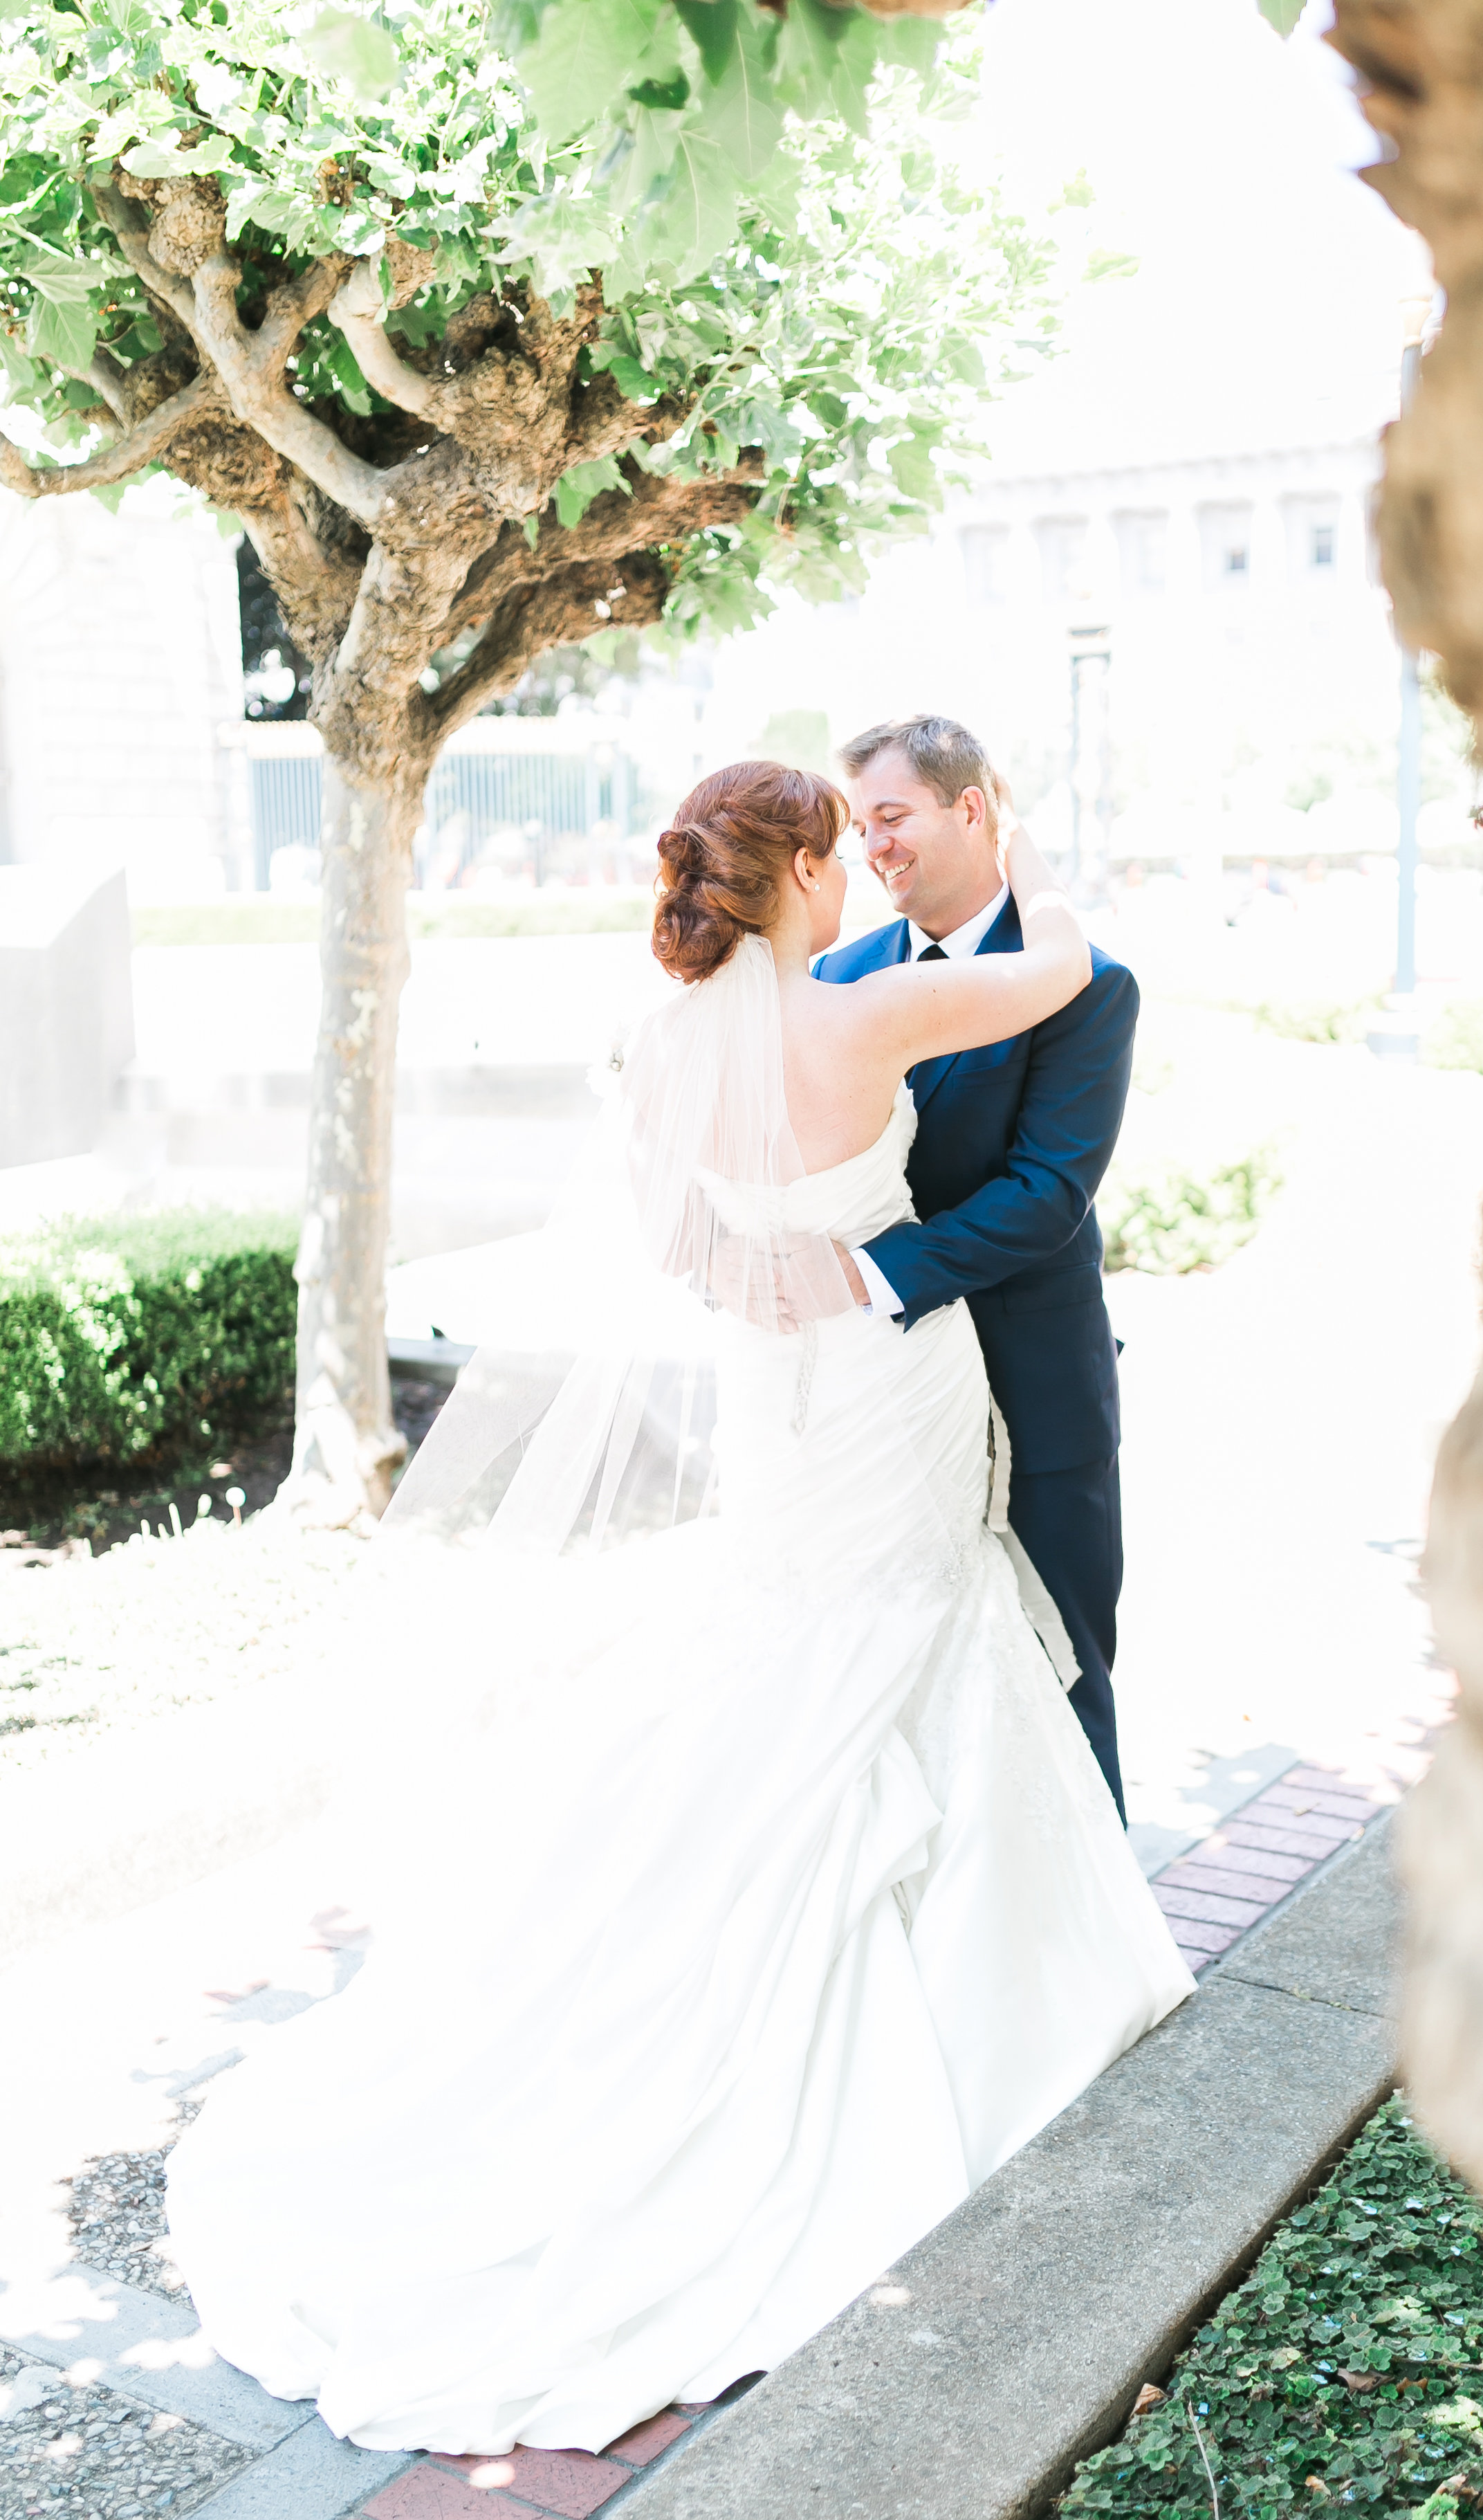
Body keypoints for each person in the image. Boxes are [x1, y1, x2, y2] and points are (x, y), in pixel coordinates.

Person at [164, 760, 1192, 2463]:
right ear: (798, 866)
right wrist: (1051, 882)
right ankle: (996, 1997)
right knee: (917, 1634)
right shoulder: (858, 1020)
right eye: (841, 848)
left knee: (805, 1646)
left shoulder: (669, 1036)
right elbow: (1062, 969)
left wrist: (756, 1274)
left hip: (780, 1399)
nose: (863, 871)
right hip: (880, 1382)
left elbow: (678, 1243)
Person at [818, 716, 1138, 1816]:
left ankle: (1109, 1945)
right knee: (910, 1671)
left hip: (1035, 1397)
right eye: (861, 827)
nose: (875, 848)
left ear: (972, 809)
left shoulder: (1087, 986)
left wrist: (867, 1270)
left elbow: (1050, 1192)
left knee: (1062, 1665)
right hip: (890, 1407)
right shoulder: (836, 978)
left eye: (893, 817)